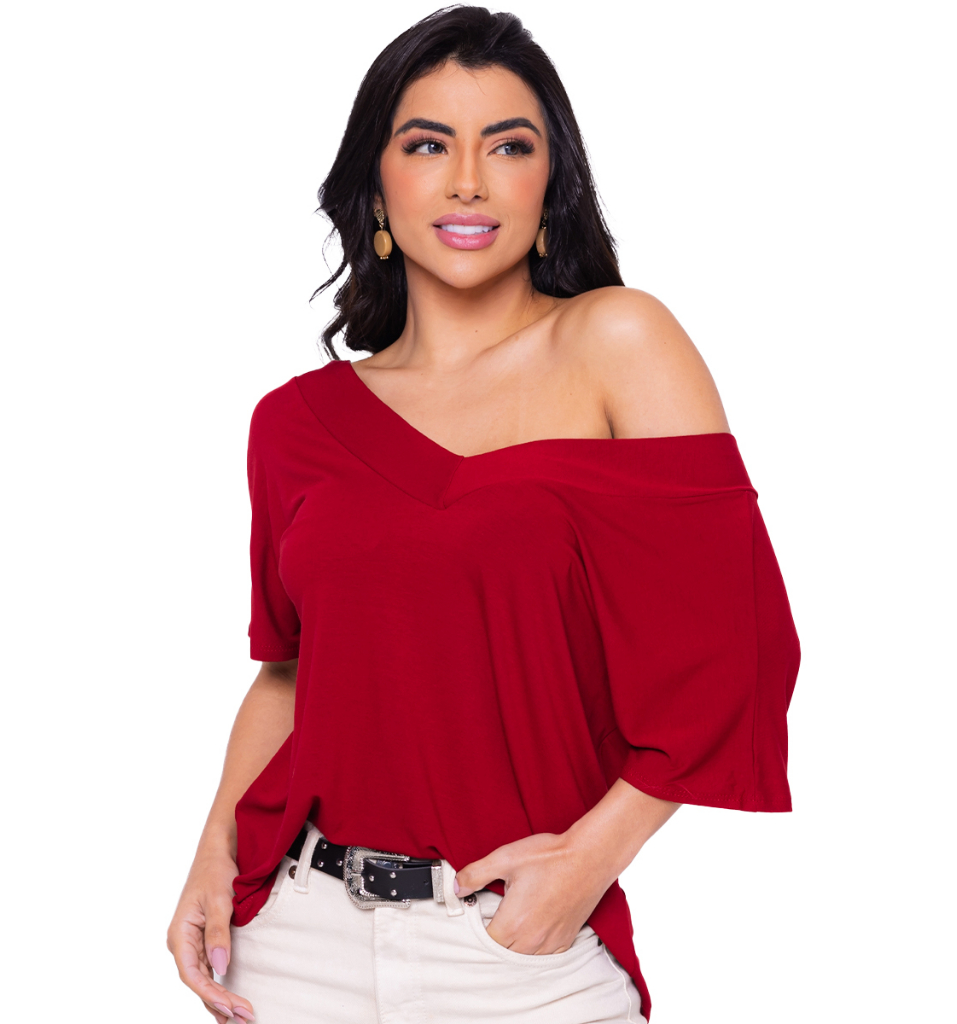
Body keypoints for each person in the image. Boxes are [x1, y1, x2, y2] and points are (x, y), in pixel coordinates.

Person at [166, 7, 800, 1023]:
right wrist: (211, 853)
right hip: (291, 943)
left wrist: (589, 862)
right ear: (377, 187)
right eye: (428, 145)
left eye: (508, 146)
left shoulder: (619, 341)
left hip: (516, 947)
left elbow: (739, 647)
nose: (468, 180)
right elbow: (289, 671)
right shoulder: (293, 422)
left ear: (551, 185)